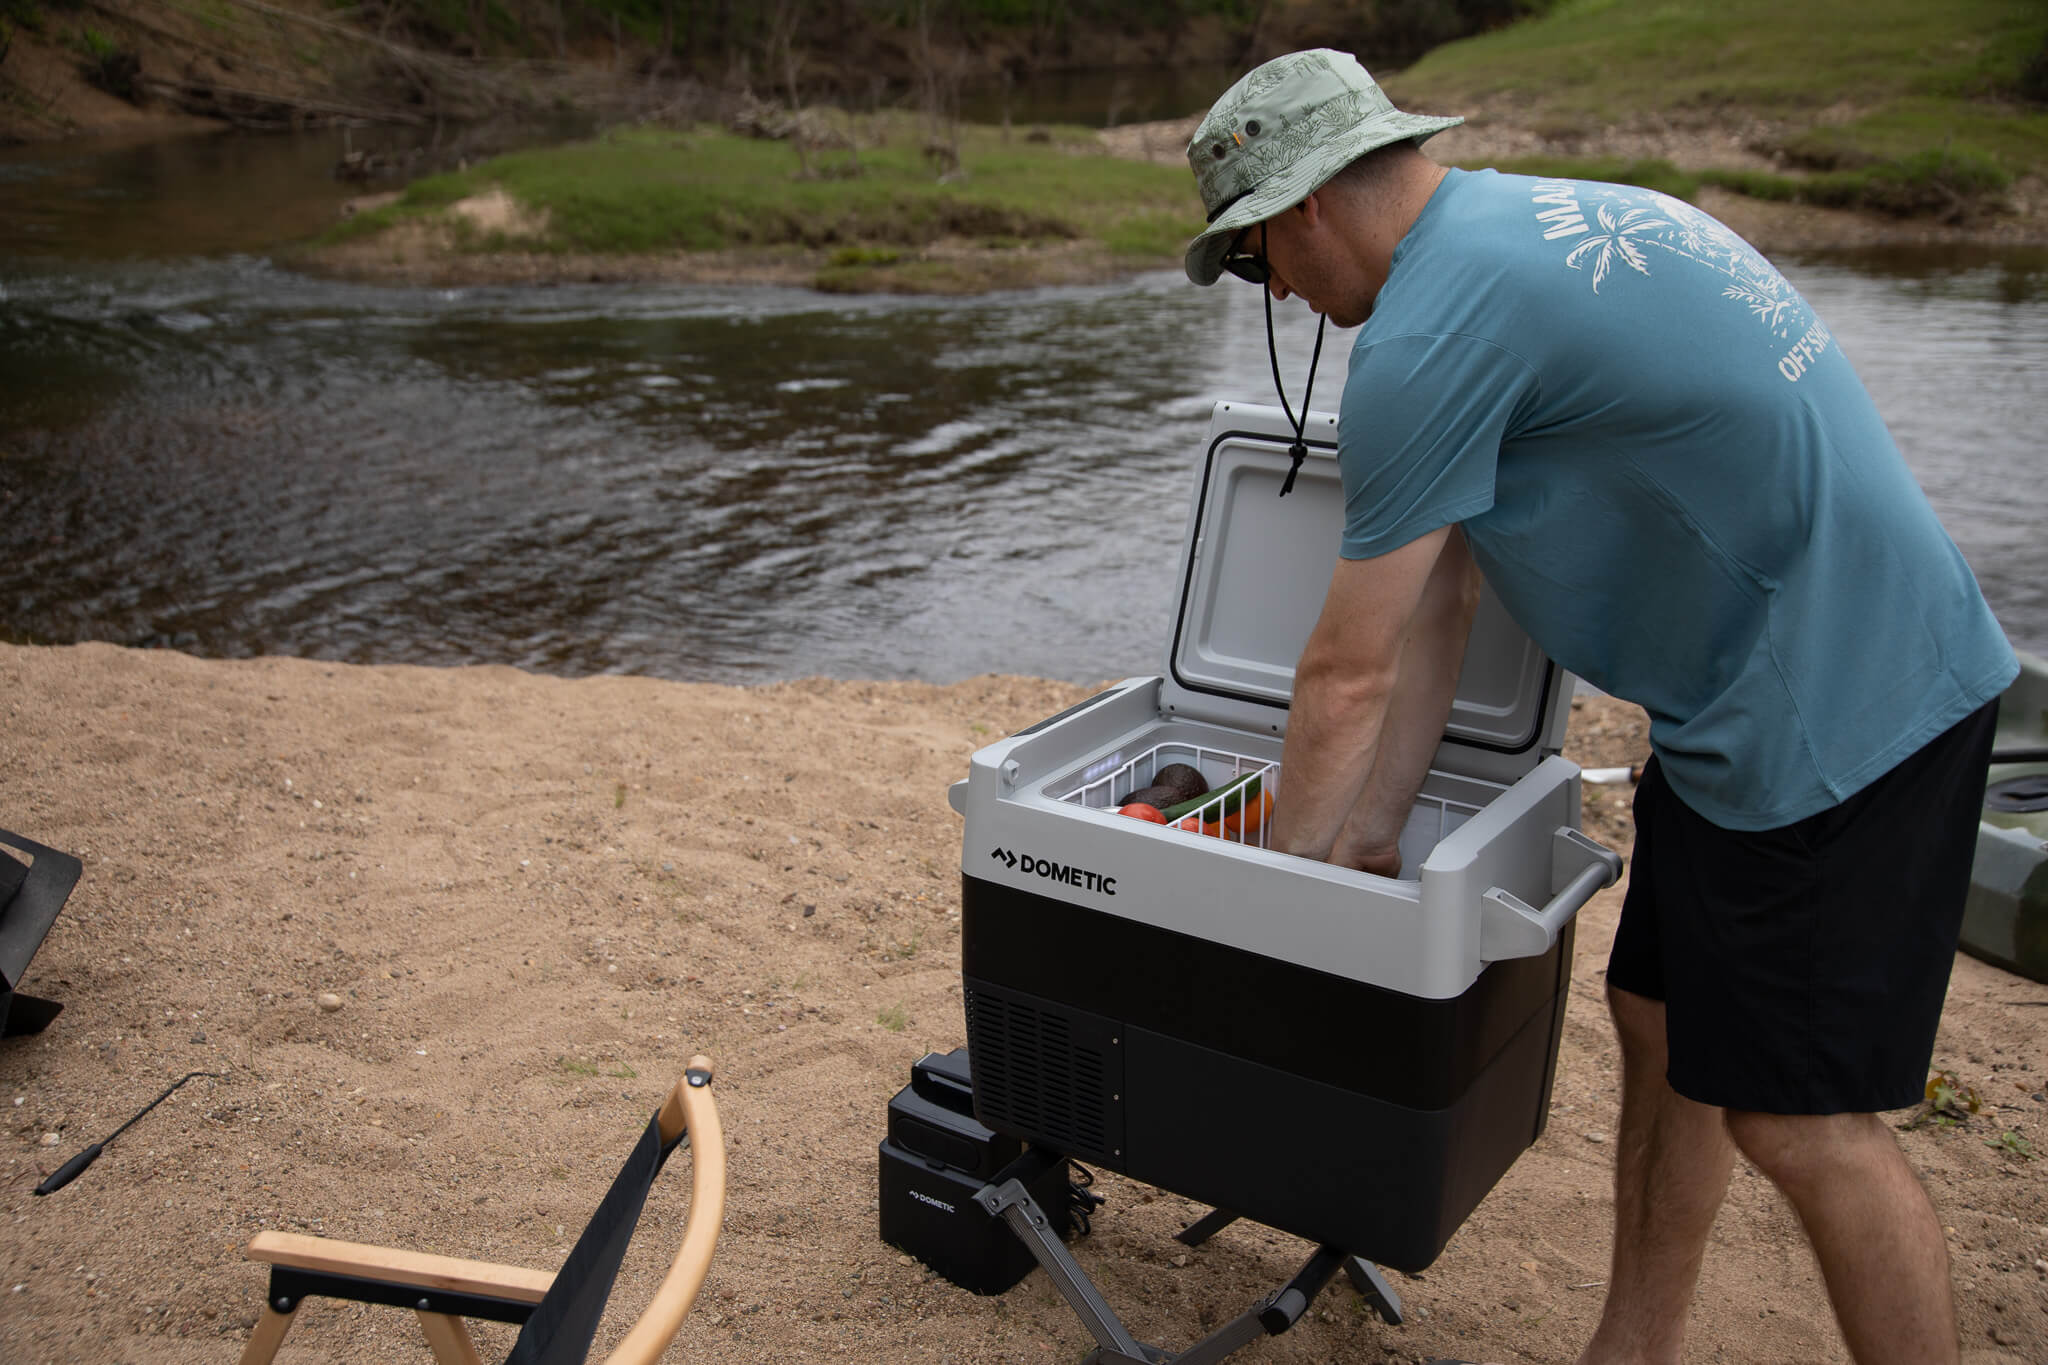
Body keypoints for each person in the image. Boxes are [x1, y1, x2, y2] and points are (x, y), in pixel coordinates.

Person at [1179, 48, 2019, 1365]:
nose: (1273, 288)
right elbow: (1433, 615)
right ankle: (1630, 1350)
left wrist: (1277, 919)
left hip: (1841, 714)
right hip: (1744, 695)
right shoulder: (1506, 234)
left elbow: (1342, 673)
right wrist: (1367, 839)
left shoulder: (1428, 333)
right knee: (1660, 1018)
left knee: (1803, 1123)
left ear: (1305, 208)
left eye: (1256, 258)